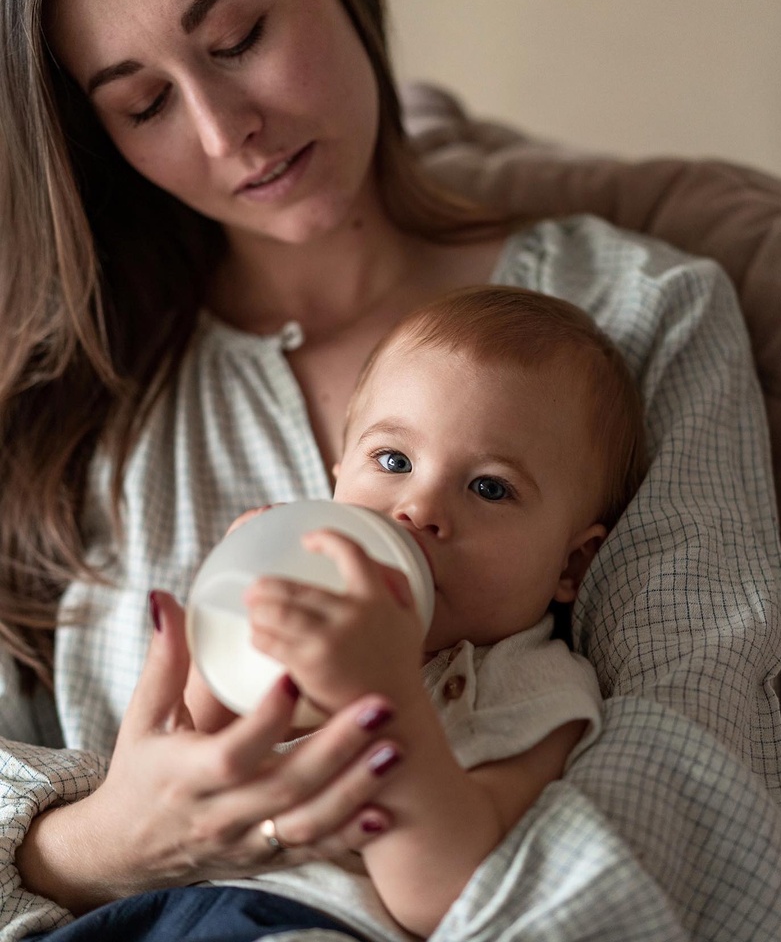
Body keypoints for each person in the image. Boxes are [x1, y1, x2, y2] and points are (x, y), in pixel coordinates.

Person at [0, 0, 781, 940]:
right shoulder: (72, 398)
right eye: (145, 102)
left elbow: (694, 764)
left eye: (241, 36)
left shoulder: (640, 310)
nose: (221, 131)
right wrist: (106, 838)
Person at [185, 285, 647, 936]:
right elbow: (188, 763)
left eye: (489, 487)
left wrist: (387, 695)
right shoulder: (305, 618)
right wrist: (224, 610)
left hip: (309, 922)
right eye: (393, 460)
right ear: (336, 482)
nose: (418, 509)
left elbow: (446, 898)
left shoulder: (530, 687)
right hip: (161, 905)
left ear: (569, 566)